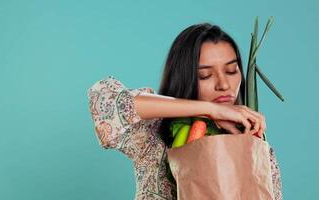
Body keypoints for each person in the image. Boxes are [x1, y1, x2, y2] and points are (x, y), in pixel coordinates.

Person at [87, 23, 283, 200]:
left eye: (232, 71)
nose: (224, 84)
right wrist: (210, 110)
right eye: (205, 75)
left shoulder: (254, 147)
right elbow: (106, 101)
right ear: (184, 77)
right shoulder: (153, 135)